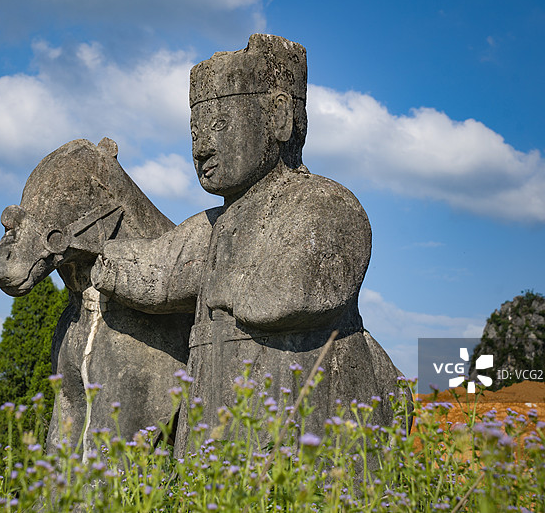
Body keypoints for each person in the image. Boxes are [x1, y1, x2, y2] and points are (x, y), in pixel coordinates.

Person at [91, 34, 406, 456]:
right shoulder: (213, 226)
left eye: (220, 125)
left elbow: (298, 292)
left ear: (278, 117)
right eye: (195, 132)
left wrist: (224, 283)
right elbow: (161, 273)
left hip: (302, 420)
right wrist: (100, 258)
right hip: (217, 418)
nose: (202, 148)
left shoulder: (325, 203)